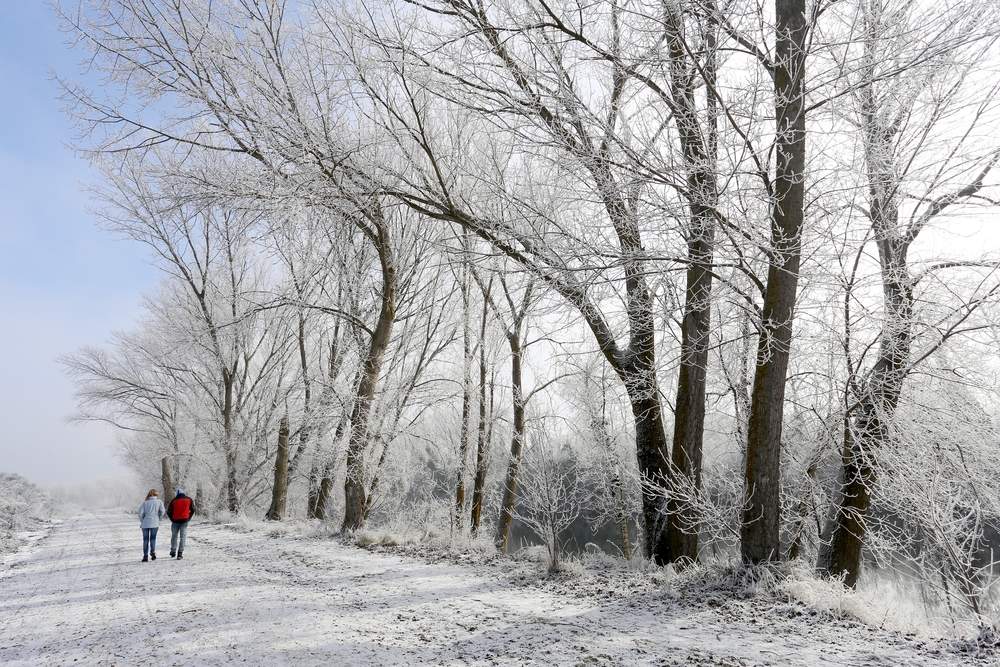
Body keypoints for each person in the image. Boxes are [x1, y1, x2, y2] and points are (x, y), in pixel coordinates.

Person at [167, 488, 196, 560]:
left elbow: (169, 512)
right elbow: (193, 509)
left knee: (174, 536)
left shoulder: (173, 501)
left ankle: (173, 551)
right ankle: (180, 552)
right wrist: (188, 517)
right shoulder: (189, 500)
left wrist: (172, 519)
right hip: (185, 520)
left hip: (175, 521)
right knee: (183, 536)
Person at [137, 489, 166, 562]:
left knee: (145, 540)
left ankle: (145, 556)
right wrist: (158, 519)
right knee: (153, 538)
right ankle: (153, 551)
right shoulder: (159, 502)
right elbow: (162, 512)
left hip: (145, 523)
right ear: (156, 495)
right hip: (155, 523)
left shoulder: (145, 503)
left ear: (149, 495)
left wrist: (142, 521)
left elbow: (140, 513)